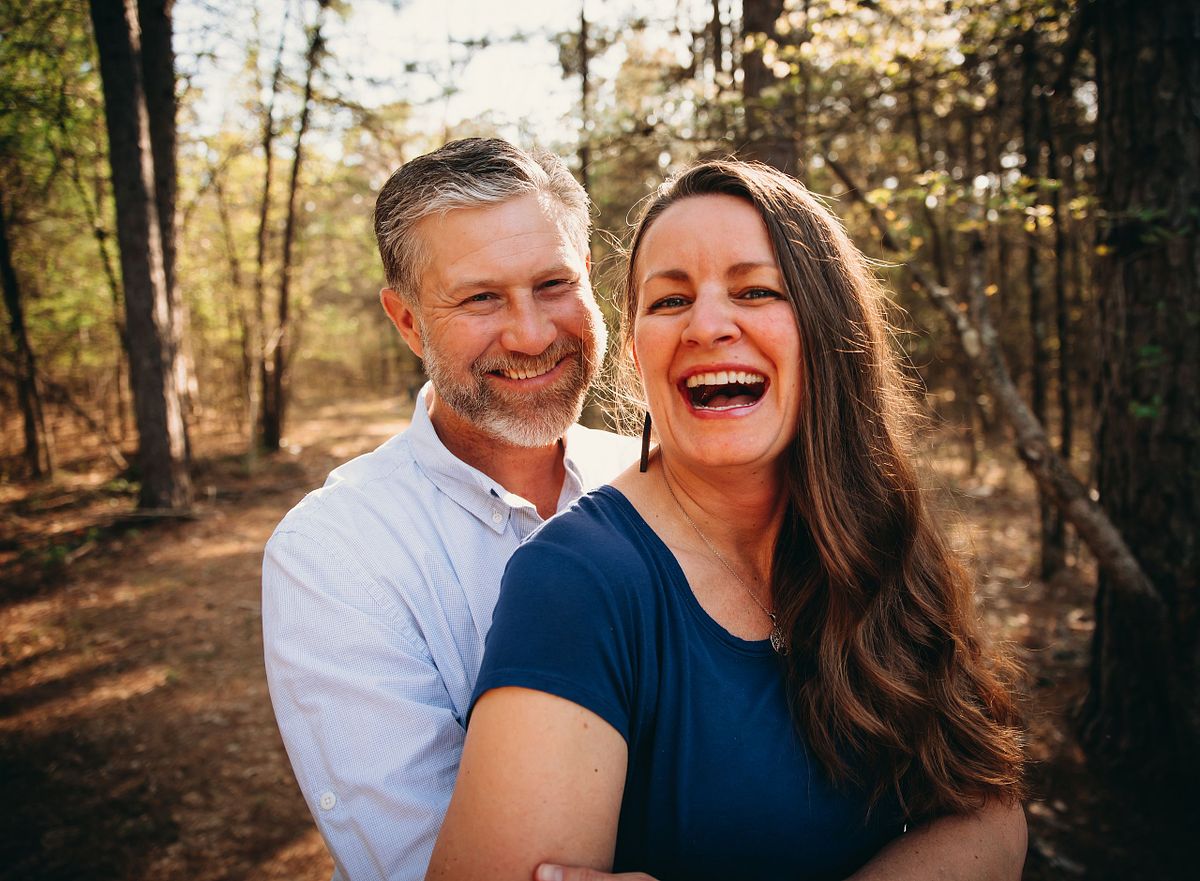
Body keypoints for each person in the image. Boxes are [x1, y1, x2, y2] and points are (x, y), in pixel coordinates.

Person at [428, 160, 1027, 881]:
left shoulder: (875, 530)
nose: (708, 326)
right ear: (636, 353)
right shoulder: (574, 583)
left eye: (756, 291)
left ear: (829, 331)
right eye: (670, 300)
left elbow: (990, 808)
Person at [261, 138, 640, 879]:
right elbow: (415, 862)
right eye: (480, 298)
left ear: (589, 277)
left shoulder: (656, 479)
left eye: (554, 283)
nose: (532, 334)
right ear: (407, 321)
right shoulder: (335, 554)